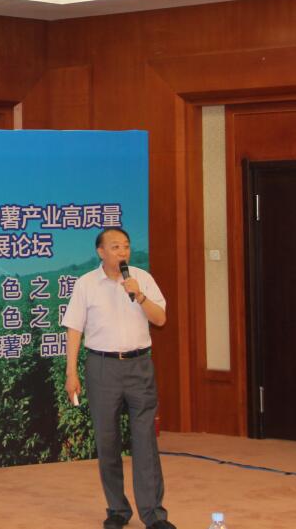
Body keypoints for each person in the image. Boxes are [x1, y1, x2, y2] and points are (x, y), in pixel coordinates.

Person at [62, 227, 174, 529]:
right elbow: (74, 328)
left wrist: (139, 295)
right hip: (102, 367)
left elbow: (161, 319)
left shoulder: (142, 278)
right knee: (107, 440)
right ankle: (117, 510)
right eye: (115, 247)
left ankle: (154, 514)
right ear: (100, 252)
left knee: (145, 440)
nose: (122, 252)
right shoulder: (86, 284)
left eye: (125, 246)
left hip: (139, 365)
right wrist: (71, 372)